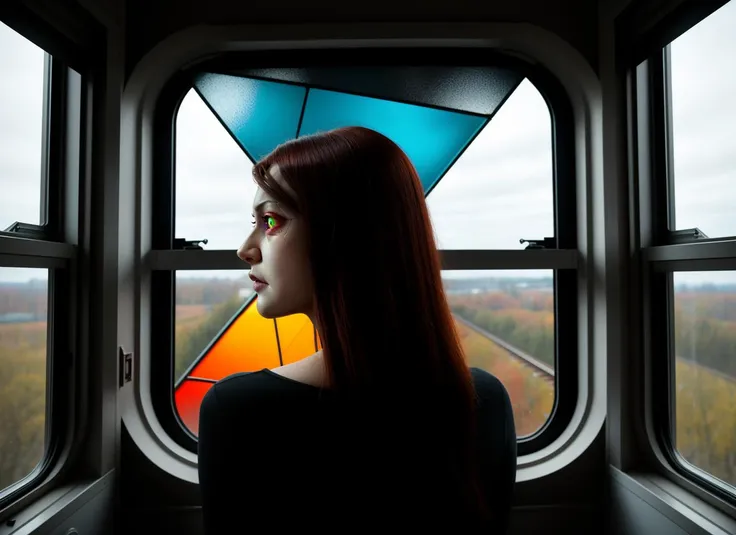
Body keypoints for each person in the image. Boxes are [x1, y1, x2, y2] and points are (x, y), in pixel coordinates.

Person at [197, 126, 516, 532]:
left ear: (346, 236)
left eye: (271, 220)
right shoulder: (483, 400)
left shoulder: (238, 410)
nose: (246, 248)